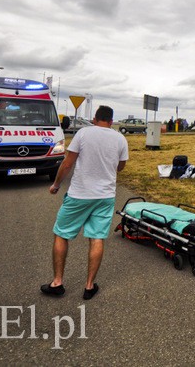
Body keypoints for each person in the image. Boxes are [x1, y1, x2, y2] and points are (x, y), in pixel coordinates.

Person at [41, 105, 129, 300]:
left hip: (79, 195)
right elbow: (121, 167)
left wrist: (56, 184)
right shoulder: (120, 138)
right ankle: (89, 286)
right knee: (97, 237)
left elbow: (68, 163)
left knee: (61, 234)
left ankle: (57, 283)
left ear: (94, 119)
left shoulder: (83, 133)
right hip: (105, 197)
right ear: (111, 121)